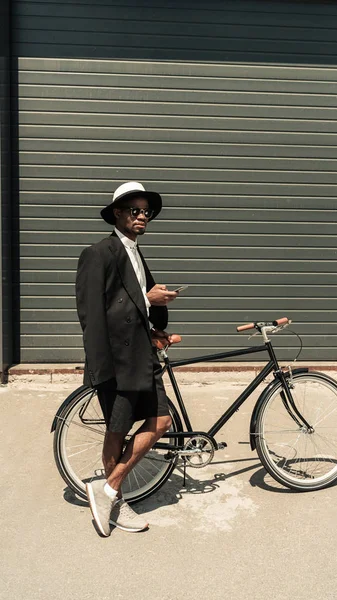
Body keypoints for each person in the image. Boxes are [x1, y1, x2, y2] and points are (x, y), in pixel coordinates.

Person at [75, 181, 179, 537]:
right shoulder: (98, 253)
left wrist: (155, 322)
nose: (141, 216)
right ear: (116, 214)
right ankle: (115, 501)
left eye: (145, 211)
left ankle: (106, 490)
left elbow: (134, 306)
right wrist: (100, 366)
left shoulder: (136, 252)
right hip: (117, 361)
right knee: (117, 430)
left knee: (162, 421)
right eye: (133, 210)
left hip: (142, 354)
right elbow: (94, 313)